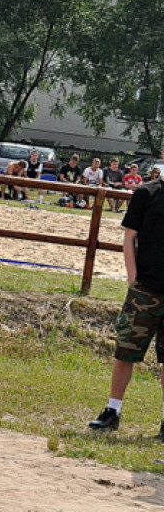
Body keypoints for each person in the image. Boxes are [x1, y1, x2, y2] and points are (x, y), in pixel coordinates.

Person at [88, 169, 164, 439]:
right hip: (145, 288)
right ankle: (112, 410)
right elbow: (130, 236)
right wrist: (133, 279)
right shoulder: (147, 192)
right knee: (126, 350)